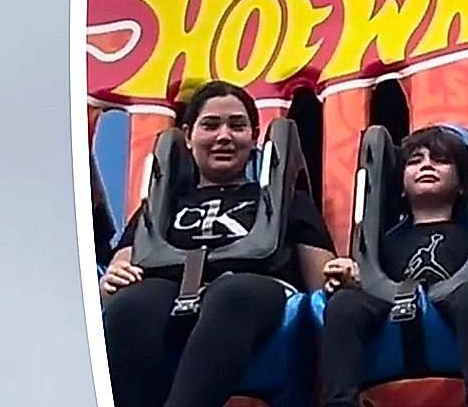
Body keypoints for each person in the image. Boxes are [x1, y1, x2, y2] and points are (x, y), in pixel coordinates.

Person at [100, 80, 335, 407]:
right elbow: (119, 272)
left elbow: (323, 282)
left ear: (254, 136)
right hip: (170, 289)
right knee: (131, 306)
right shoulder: (162, 207)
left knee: (231, 293)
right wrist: (113, 281)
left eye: (237, 126)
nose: (224, 136)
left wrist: (340, 276)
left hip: (254, 291)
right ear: (188, 136)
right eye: (210, 125)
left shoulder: (288, 202)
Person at [320, 125, 468, 407]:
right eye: (415, 161)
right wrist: (347, 278)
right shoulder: (384, 243)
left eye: (441, 160)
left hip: (458, 300)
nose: (427, 165)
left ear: (463, 184)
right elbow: (370, 283)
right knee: (344, 304)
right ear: (401, 187)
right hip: (391, 304)